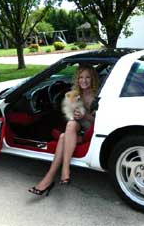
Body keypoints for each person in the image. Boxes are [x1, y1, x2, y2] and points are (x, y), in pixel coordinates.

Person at [28, 64, 99, 196]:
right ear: (77, 79)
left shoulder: (97, 96)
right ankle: (52, 178)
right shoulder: (74, 95)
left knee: (65, 133)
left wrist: (85, 115)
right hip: (78, 129)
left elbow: (100, 122)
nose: (84, 80)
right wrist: (74, 113)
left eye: (88, 77)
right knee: (68, 128)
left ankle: (60, 173)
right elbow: (70, 117)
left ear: (93, 79)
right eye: (81, 77)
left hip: (92, 131)